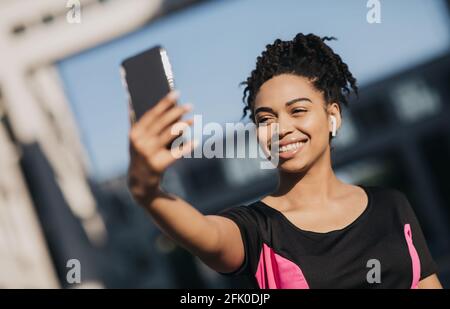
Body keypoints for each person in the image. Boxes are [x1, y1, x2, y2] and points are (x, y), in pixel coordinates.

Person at [127, 33, 442, 288]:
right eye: (266, 119)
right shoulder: (258, 230)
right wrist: (147, 190)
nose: (281, 129)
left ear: (332, 116)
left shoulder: (391, 205)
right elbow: (207, 234)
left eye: (298, 110)